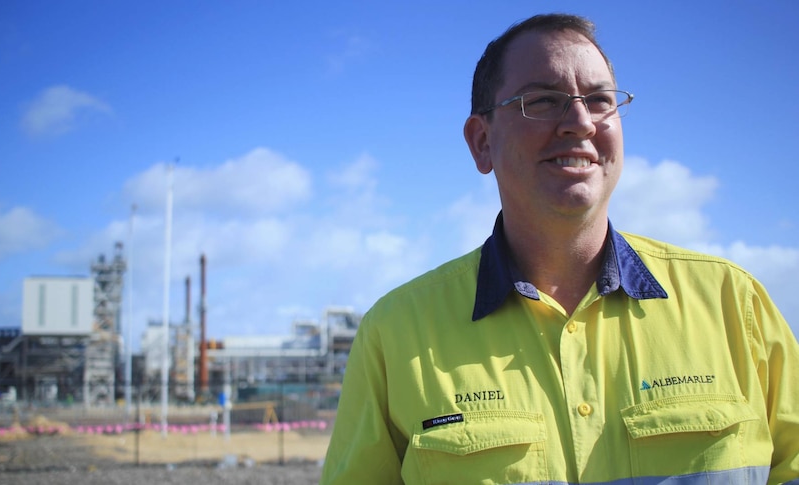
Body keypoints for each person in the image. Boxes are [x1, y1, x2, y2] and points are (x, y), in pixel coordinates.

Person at [320, 13, 799, 485]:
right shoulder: (396, 333)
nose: (580, 123)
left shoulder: (734, 304)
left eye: (599, 100)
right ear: (482, 142)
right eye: (543, 101)